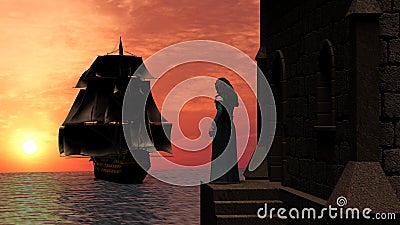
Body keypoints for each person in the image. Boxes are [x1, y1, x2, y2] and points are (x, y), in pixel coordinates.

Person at [208, 78, 240, 183]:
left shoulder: (219, 98)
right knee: (229, 152)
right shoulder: (232, 97)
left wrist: (212, 125)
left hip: (221, 128)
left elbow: (220, 112)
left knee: (220, 151)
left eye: (217, 86)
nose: (216, 88)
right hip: (231, 127)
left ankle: (220, 178)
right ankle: (231, 178)